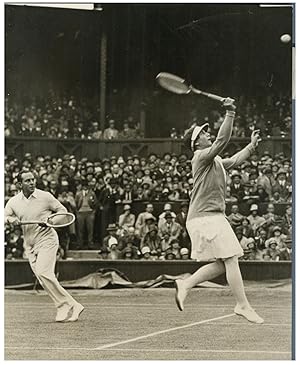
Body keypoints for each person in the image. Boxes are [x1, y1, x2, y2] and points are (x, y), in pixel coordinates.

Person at [174, 97, 264, 324]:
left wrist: (251, 147)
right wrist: (230, 112)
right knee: (232, 258)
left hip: (208, 218)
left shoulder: (215, 162)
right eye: (203, 133)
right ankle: (242, 305)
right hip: (205, 218)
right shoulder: (200, 157)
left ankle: (186, 284)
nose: (208, 134)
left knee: (225, 262)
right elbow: (222, 142)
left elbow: (233, 159)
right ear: (196, 143)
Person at [4, 170, 84, 322]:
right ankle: (71, 305)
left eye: (33, 179)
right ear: (19, 184)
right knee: (43, 278)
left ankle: (64, 305)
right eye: (27, 181)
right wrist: (10, 220)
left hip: (47, 239)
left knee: (44, 272)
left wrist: (52, 221)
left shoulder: (45, 196)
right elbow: (4, 215)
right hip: (29, 243)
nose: (32, 182)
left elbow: (63, 211)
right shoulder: (13, 202)